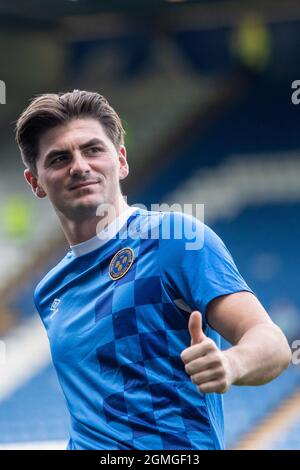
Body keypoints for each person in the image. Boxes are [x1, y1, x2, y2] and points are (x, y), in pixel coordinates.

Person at [16, 90, 291, 450]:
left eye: (93, 149)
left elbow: (273, 345)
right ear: (35, 182)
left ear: (122, 161)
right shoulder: (50, 290)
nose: (80, 165)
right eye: (59, 158)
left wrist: (230, 363)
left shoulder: (176, 240)